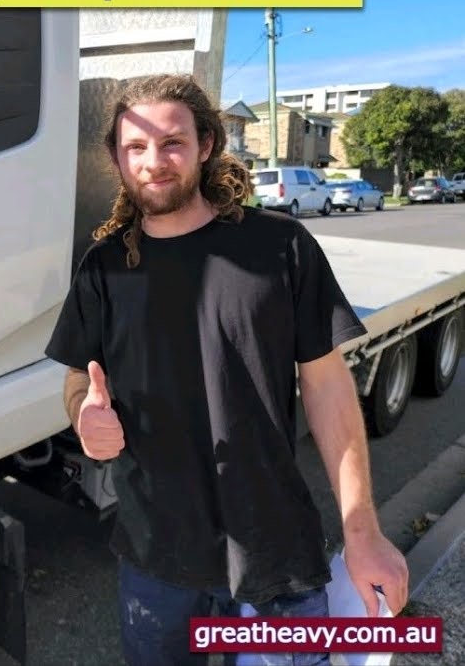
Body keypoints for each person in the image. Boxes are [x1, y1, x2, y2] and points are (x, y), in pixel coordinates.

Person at [44, 74, 409, 666]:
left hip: (275, 554)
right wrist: (84, 415)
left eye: (172, 142)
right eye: (136, 147)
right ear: (116, 158)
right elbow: (79, 378)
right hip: (155, 556)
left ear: (206, 144)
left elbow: (326, 385)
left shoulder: (280, 247)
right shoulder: (103, 268)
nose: (154, 161)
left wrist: (362, 532)